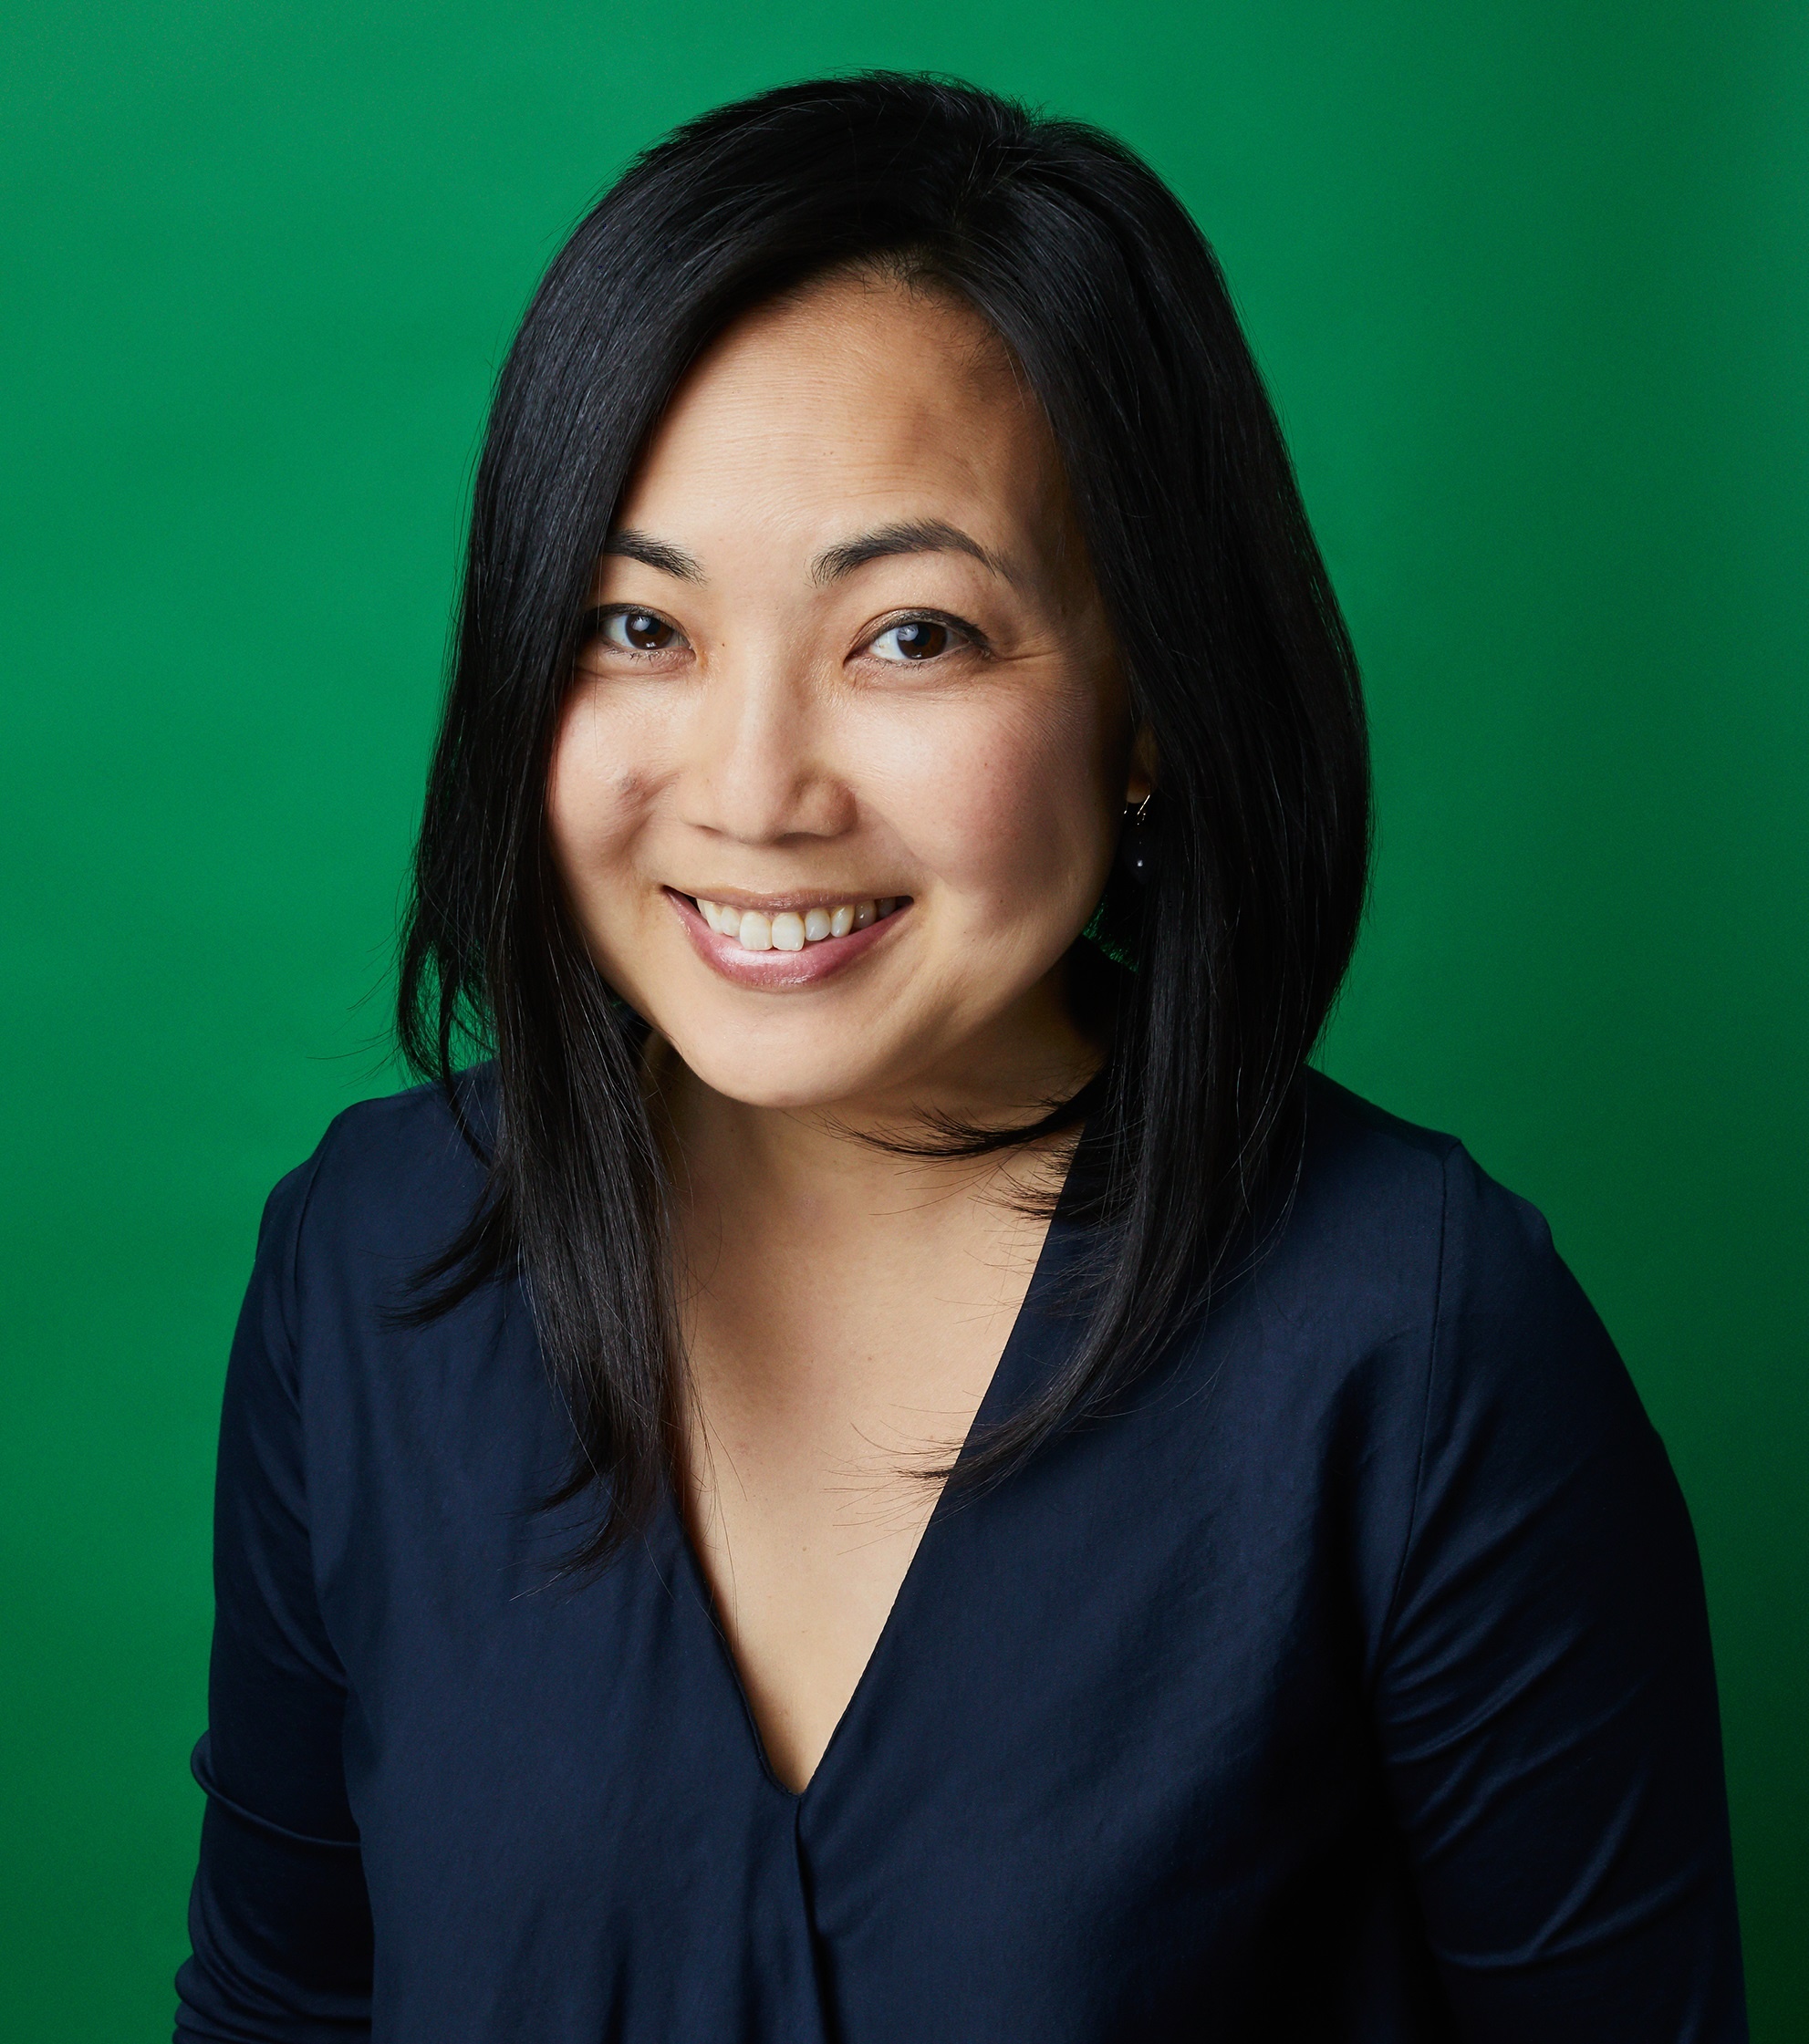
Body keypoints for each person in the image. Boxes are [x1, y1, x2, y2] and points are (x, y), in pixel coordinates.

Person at [174, 73, 1745, 2043]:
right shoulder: (364, 1266)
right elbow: (276, 2008)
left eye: (910, 634)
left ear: (1150, 700)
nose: (749, 789)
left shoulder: (1417, 1342)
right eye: (633, 624)